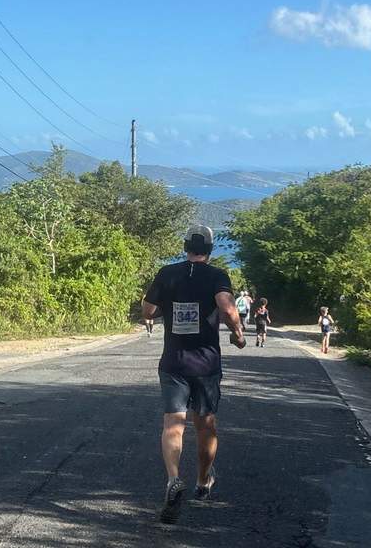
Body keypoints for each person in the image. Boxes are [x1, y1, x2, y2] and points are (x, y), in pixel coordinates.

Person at [142, 224, 246, 524]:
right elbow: (227, 309)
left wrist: (167, 307)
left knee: (173, 426)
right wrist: (238, 334)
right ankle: (202, 481)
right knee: (205, 426)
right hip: (205, 365)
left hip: (173, 362)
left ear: (185, 245)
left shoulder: (167, 273)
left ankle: (173, 478)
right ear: (210, 249)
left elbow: (148, 311)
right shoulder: (217, 276)